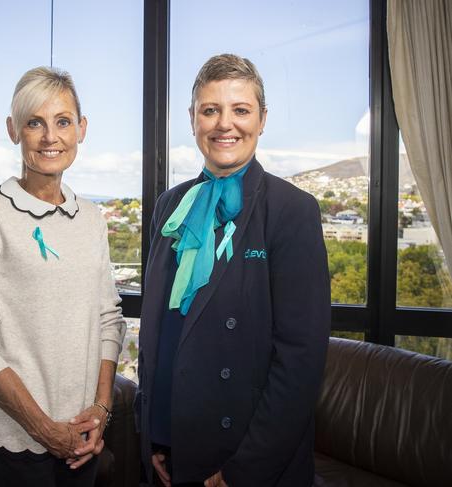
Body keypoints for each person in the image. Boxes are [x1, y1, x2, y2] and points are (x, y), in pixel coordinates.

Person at [136, 53, 331, 487]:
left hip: (249, 458)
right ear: (192, 120)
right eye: (211, 110)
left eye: (240, 110)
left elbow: (300, 361)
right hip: (175, 445)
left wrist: (244, 470)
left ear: (262, 119)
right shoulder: (170, 205)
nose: (225, 124)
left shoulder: (292, 210)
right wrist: (153, 435)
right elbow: (160, 330)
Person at [0, 66, 126, 487]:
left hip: (84, 437)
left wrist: (101, 411)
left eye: (63, 121)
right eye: (35, 123)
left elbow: (108, 317)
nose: (50, 137)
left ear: (81, 129)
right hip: (19, 445)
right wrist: (45, 430)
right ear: (14, 130)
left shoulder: (93, 217)